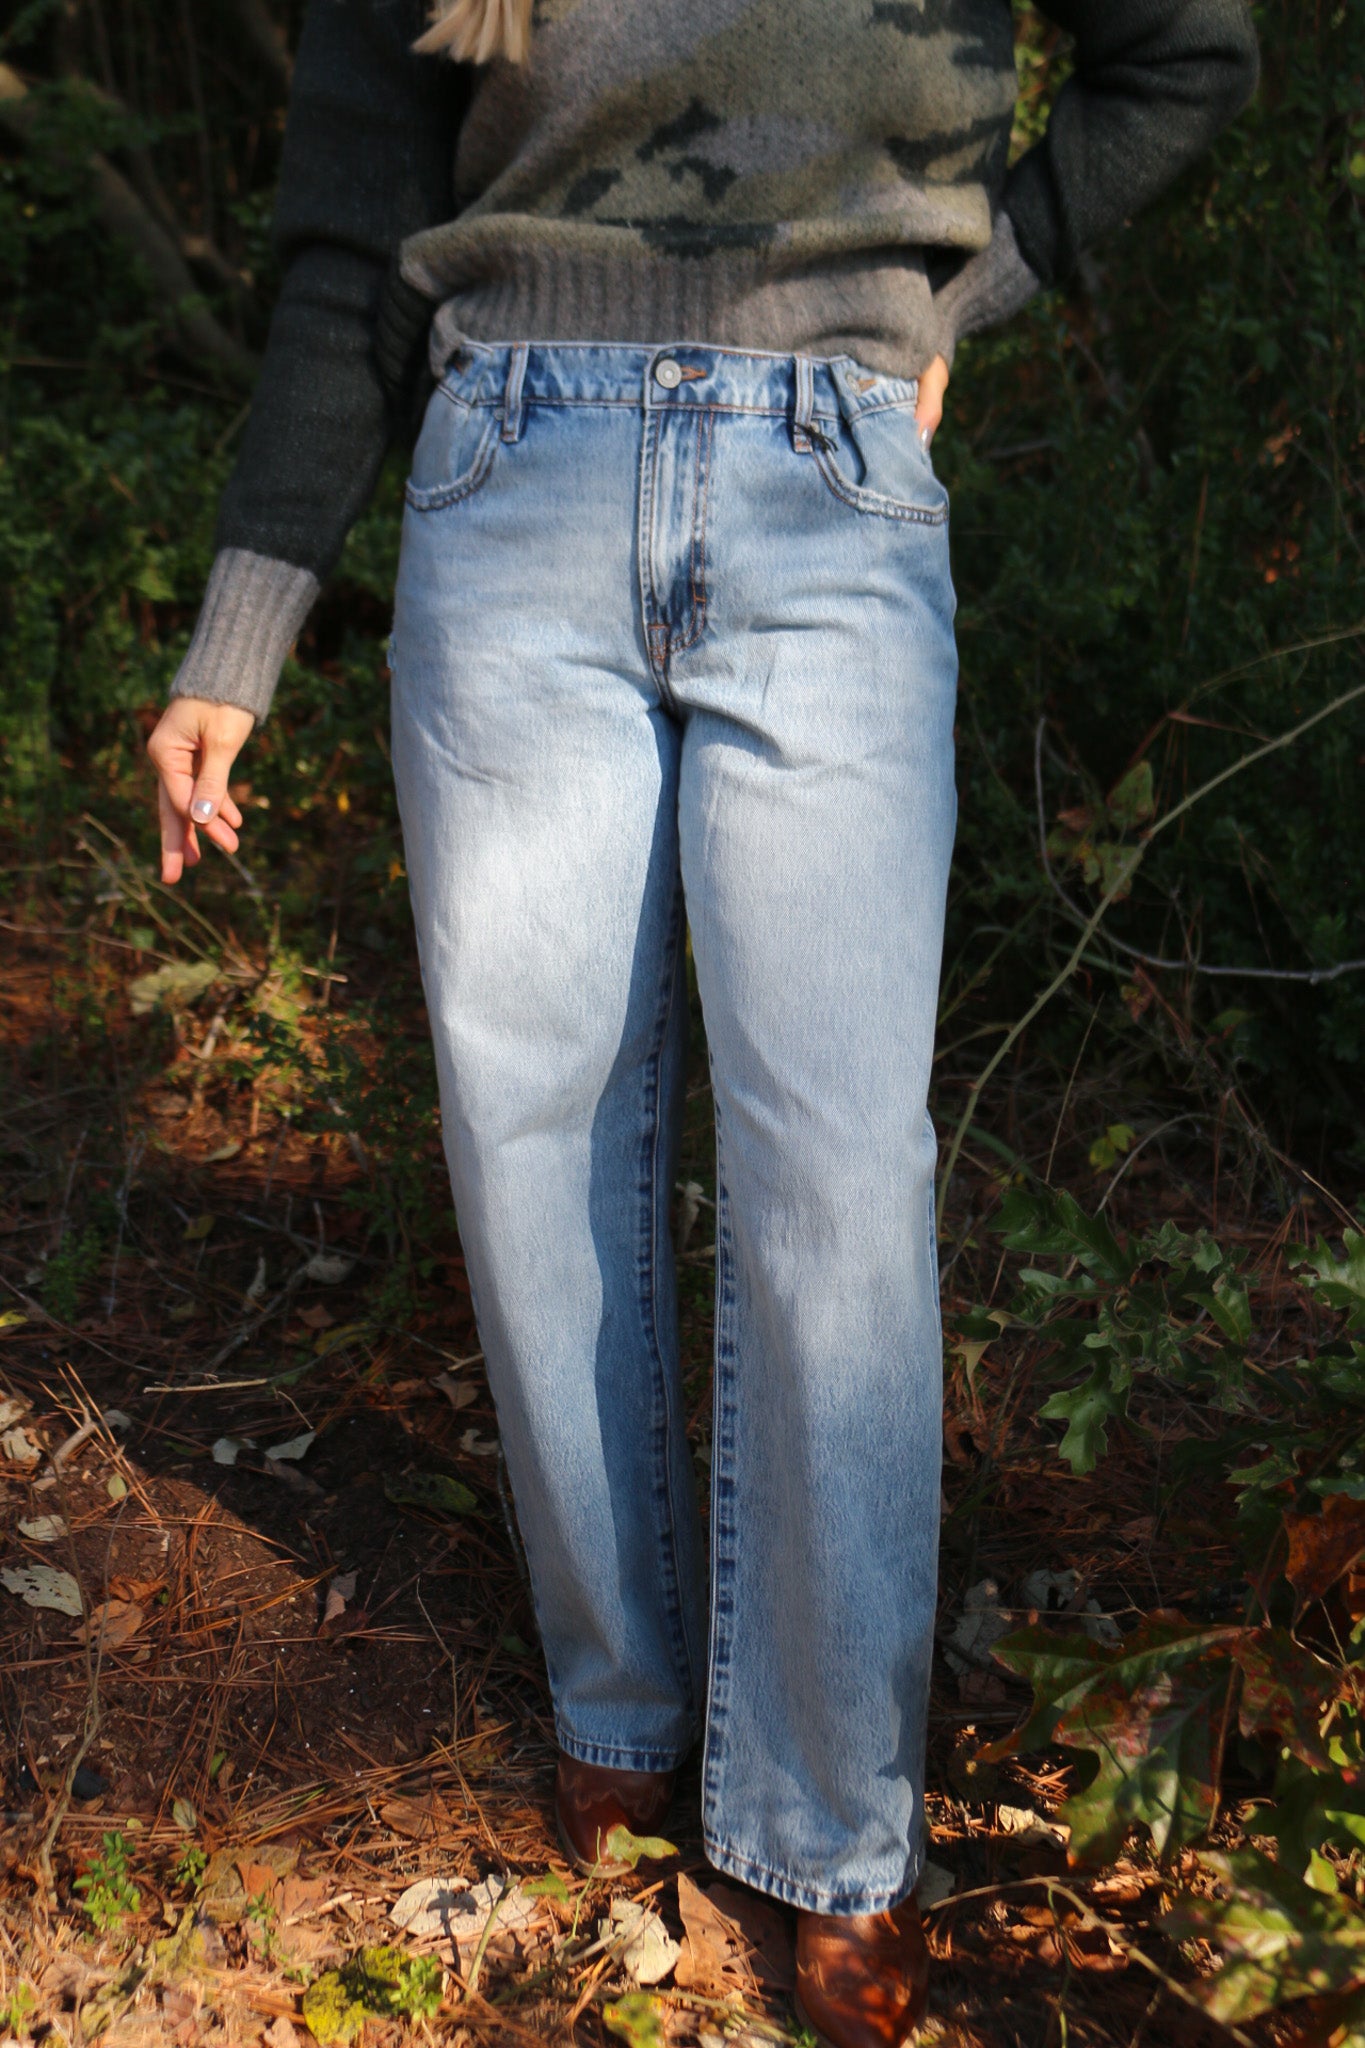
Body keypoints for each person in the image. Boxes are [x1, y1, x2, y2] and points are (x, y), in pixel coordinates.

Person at [146, 3, 1258, 2040]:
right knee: (532, 1122)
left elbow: (1182, 55)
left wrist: (946, 305)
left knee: (832, 1170)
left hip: (821, 485)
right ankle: (617, 1696)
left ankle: (831, 1820)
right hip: (507, 486)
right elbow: (344, 243)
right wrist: (247, 616)